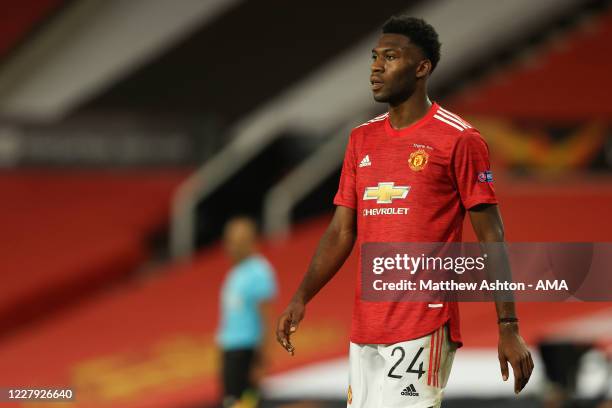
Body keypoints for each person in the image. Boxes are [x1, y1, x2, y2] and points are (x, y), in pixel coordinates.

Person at [276, 15, 534, 408]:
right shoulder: (361, 139)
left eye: (391, 57)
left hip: (423, 321)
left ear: (422, 67)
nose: (376, 67)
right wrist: (302, 296)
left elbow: (491, 236)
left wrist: (509, 326)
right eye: (375, 57)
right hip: (367, 325)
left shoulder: (459, 139)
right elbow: (341, 231)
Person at [217, 216, 277, 408]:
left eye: (238, 242)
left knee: (245, 403)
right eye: (230, 241)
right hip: (231, 351)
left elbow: (267, 318)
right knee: (231, 402)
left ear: (252, 242)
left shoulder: (258, 271)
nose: (232, 247)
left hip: (247, 352)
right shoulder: (236, 272)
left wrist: (261, 362)